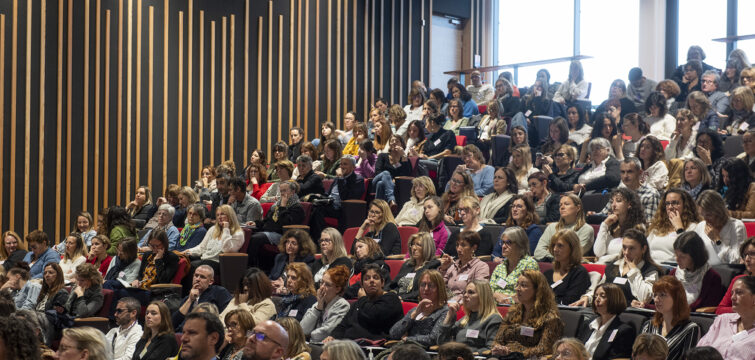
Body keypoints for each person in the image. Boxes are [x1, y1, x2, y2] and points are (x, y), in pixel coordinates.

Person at [490, 270, 564, 359]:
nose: (517, 288)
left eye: (523, 285)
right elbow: (497, 340)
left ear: (538, 290)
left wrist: (514, 354)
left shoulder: (550, 318)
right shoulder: (512, 312)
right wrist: (498, 348)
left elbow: (545, 349)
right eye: (517, 284)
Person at [324, 263, 404, 341]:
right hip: (349, 345)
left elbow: (372, 315)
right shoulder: (357, 304)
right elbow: (343, 325)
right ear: (361, 284)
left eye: (375, 277)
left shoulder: (391, 299)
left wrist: (362, 298)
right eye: (367, 278)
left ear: (382, 283)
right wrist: (333, 336)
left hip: (374, 347)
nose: (371, 281)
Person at [247, 181, 306, 270]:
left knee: (256, 238)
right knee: (249, 233)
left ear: (293, 192)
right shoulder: (276, 206)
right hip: (269, 231)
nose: (282, 194)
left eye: (285, 191)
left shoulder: (297, 207)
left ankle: (250, 268)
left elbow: (285, 224)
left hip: (283, 235)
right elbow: (267, 220)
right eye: (281, 191)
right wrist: (256, 223)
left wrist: (283, 207)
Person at [641, 276, 701, 360]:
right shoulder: (649, 325)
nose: (656, 299)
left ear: (677, 298)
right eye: (655, 295)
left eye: (662, 295)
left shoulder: (690, 329)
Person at [308, 156, 365, 241]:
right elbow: (330, 193)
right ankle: (315, 239)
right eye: (341, 164)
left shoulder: (357, 179)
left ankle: (323, 238)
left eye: (345, 164)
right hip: (330, 204)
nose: (342, 166)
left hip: (342, 209)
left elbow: (345, 197)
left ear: (353, 167)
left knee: (317, 210)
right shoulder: (338, 178)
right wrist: (321, 197)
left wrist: (341, 179)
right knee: (311, 206)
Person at [697, 276, 755, 360]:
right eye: (732, 293)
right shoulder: (723, 320)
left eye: (739, 292)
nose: (732, 297)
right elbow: (699, 351)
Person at [438, 280, 503, 354]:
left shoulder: (494, 319)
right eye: (464, 292)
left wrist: (468, 354)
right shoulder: (465, 319)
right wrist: (448, 317)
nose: (465, 295)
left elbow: (491, 350)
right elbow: (441, 343)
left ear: (483, 296)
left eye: (471, 292)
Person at [388, 270, 449, 347]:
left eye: (431, 285)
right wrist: (414, 315)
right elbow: (393, 333)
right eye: (423, 285)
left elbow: (434, 338)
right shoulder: (415, 310)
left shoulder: (444, 312)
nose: (426, 289)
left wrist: (408, 339)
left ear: (439, 288)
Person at [576, 283, 635, 360]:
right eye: (595, 296)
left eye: (602, 296)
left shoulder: (623, 331)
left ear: (614, 299)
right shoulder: (588, 324)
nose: (597, 299)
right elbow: (576, 349)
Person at [668, 232, 724, 310]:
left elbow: (706, 309)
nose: (677, 260)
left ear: (695, 256)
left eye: (682, 257)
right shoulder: (673, 273)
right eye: (676, 255)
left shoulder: (712, 278)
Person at [183, 204, 244, 272]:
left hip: (219, 263)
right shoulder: (213, 229)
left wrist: (226, 229)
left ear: (230, 216)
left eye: (222, 214)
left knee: (193, 266)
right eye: (217, 215)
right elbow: (201, 248)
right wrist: (187, 252)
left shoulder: (238, 233)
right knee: (183, 261)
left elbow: (227, 249)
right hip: (204, 259)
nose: (219, 217)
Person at [534, 193, 594, 261]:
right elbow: (538, 252)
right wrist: (557, 255)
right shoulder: (552, 227)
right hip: (549, 266)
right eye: (560, 205)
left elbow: (574, 254)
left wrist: (549, 251)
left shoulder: (586, 229)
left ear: (578, 208)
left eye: (566, 204)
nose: (562, 207)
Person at [173, 265, 233, 331]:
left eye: (202, 277)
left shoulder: (219, 292)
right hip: (182, 333)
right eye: (196, 275)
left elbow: (228, 314)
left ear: (211, 281)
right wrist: (190, 300)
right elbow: (173, 323)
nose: (197, 279)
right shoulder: (187, 298)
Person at [648, 189, 700, 264]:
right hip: (653, 267)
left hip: (673, 268)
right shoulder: (658, 227)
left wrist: (679, 228)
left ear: (685, 206)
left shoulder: (693, 227)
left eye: (675, 203)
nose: (670, 207)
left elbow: (690, 252)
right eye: (667, 203)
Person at [593, 188, 646, 261]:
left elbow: (629, 255)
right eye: (612, 201)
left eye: (618, 201)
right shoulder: (610, 226)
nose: (613, 205)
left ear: (629, 204)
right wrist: (604, 225)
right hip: (606, 266)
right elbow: (598, 252)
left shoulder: (638, 228)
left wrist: (604, 259)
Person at [301, 265, 351, 342]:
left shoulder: (342, 305)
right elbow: (303, 329)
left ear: (338, 289)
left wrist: (309, 335)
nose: (322, 287)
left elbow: (326, 332)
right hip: (313, 344)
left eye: (327, 284)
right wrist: (318, 308)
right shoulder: (319, 302)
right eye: (322, 282)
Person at [489, 227, 539, 304]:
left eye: (508, 243)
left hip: (518, 309)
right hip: (495, 308)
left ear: (520, 244)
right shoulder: (500, 267)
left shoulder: (529, 264)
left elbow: (529, 295)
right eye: (503, 242)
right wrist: (495, 295)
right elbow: (489, 292)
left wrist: (506, 299)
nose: (503, 246)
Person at [694, 190, 746, 264]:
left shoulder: (736, 226)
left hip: (727, 273)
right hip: (705, 272)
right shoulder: (700, 226)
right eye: (702, 215)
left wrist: (717, 241)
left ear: (719, 212)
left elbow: (737, 260)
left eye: (709, 215)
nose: (705, 219)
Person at [385, 232, 440, 301]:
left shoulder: (432, 266)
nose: (414, 248)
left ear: (427, 248)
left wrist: (402, 298)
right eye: (412, 244)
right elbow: (395, 284)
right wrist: (387, 292)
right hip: (397, 299)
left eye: (418, 245)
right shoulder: (408, 265)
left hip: (413, 301)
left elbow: (421, 291)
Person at [542, 229, 591, 305]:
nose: (555, 249)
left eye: (560, 245)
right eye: (553, 245)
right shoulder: (547, 273)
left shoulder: (579, 273)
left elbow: (569, 302)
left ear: (572, 248)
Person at [439, 230, 490, 300]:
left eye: (463, 245)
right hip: (448, 303)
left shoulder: (481, 267)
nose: (458, 249)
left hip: (466, 305)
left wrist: (455, 300)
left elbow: (479, 292)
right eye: (457, 245)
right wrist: (443, 269)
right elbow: (439, 287)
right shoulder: (453, 265)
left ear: (474, 247)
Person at [717, 237, 755, 314]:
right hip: (737, 323)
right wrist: (742, 310)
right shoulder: (738, 280)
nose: (747, 259)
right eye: (745, 255)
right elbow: (720, 310)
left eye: (752, 254)